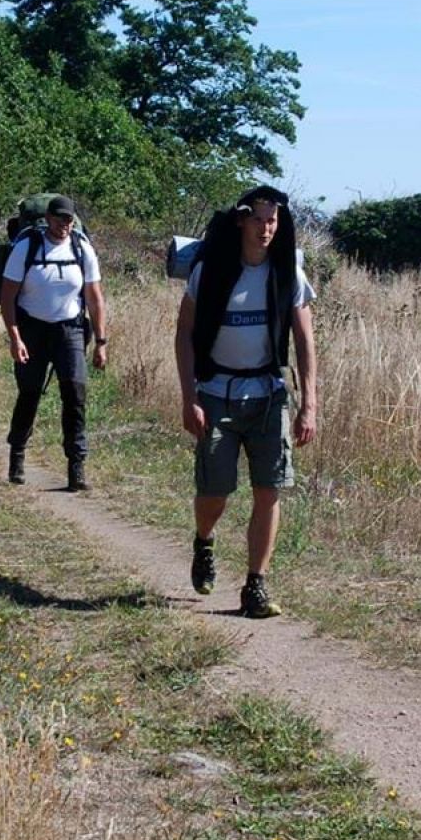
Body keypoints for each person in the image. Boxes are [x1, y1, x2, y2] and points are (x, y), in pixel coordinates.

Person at [174, 185, 318, 619]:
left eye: (272, 220)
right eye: (258, 219)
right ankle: (204, 541)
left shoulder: (287, 273)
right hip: (216, 394)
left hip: (269, 397)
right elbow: (183, 334)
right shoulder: (212, 271)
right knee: (214, 492)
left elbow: (305, 341)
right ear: (240, 220)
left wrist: (309, 404)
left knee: (268, 491)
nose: (266, 228)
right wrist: (188, 397)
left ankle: (255, 584)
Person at [0, 195, 108, 491]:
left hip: (69, 331)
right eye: (60, 219)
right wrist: (15, 337)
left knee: (75, 394)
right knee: (30, 393)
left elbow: (94, 298)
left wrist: (101, 341)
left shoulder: (81, 248)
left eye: (69, 220)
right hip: (32, 330)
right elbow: (8, 297)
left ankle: (77, 467)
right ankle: (17, 454)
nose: (64, 225)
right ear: (47, 218)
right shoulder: (27, 247)